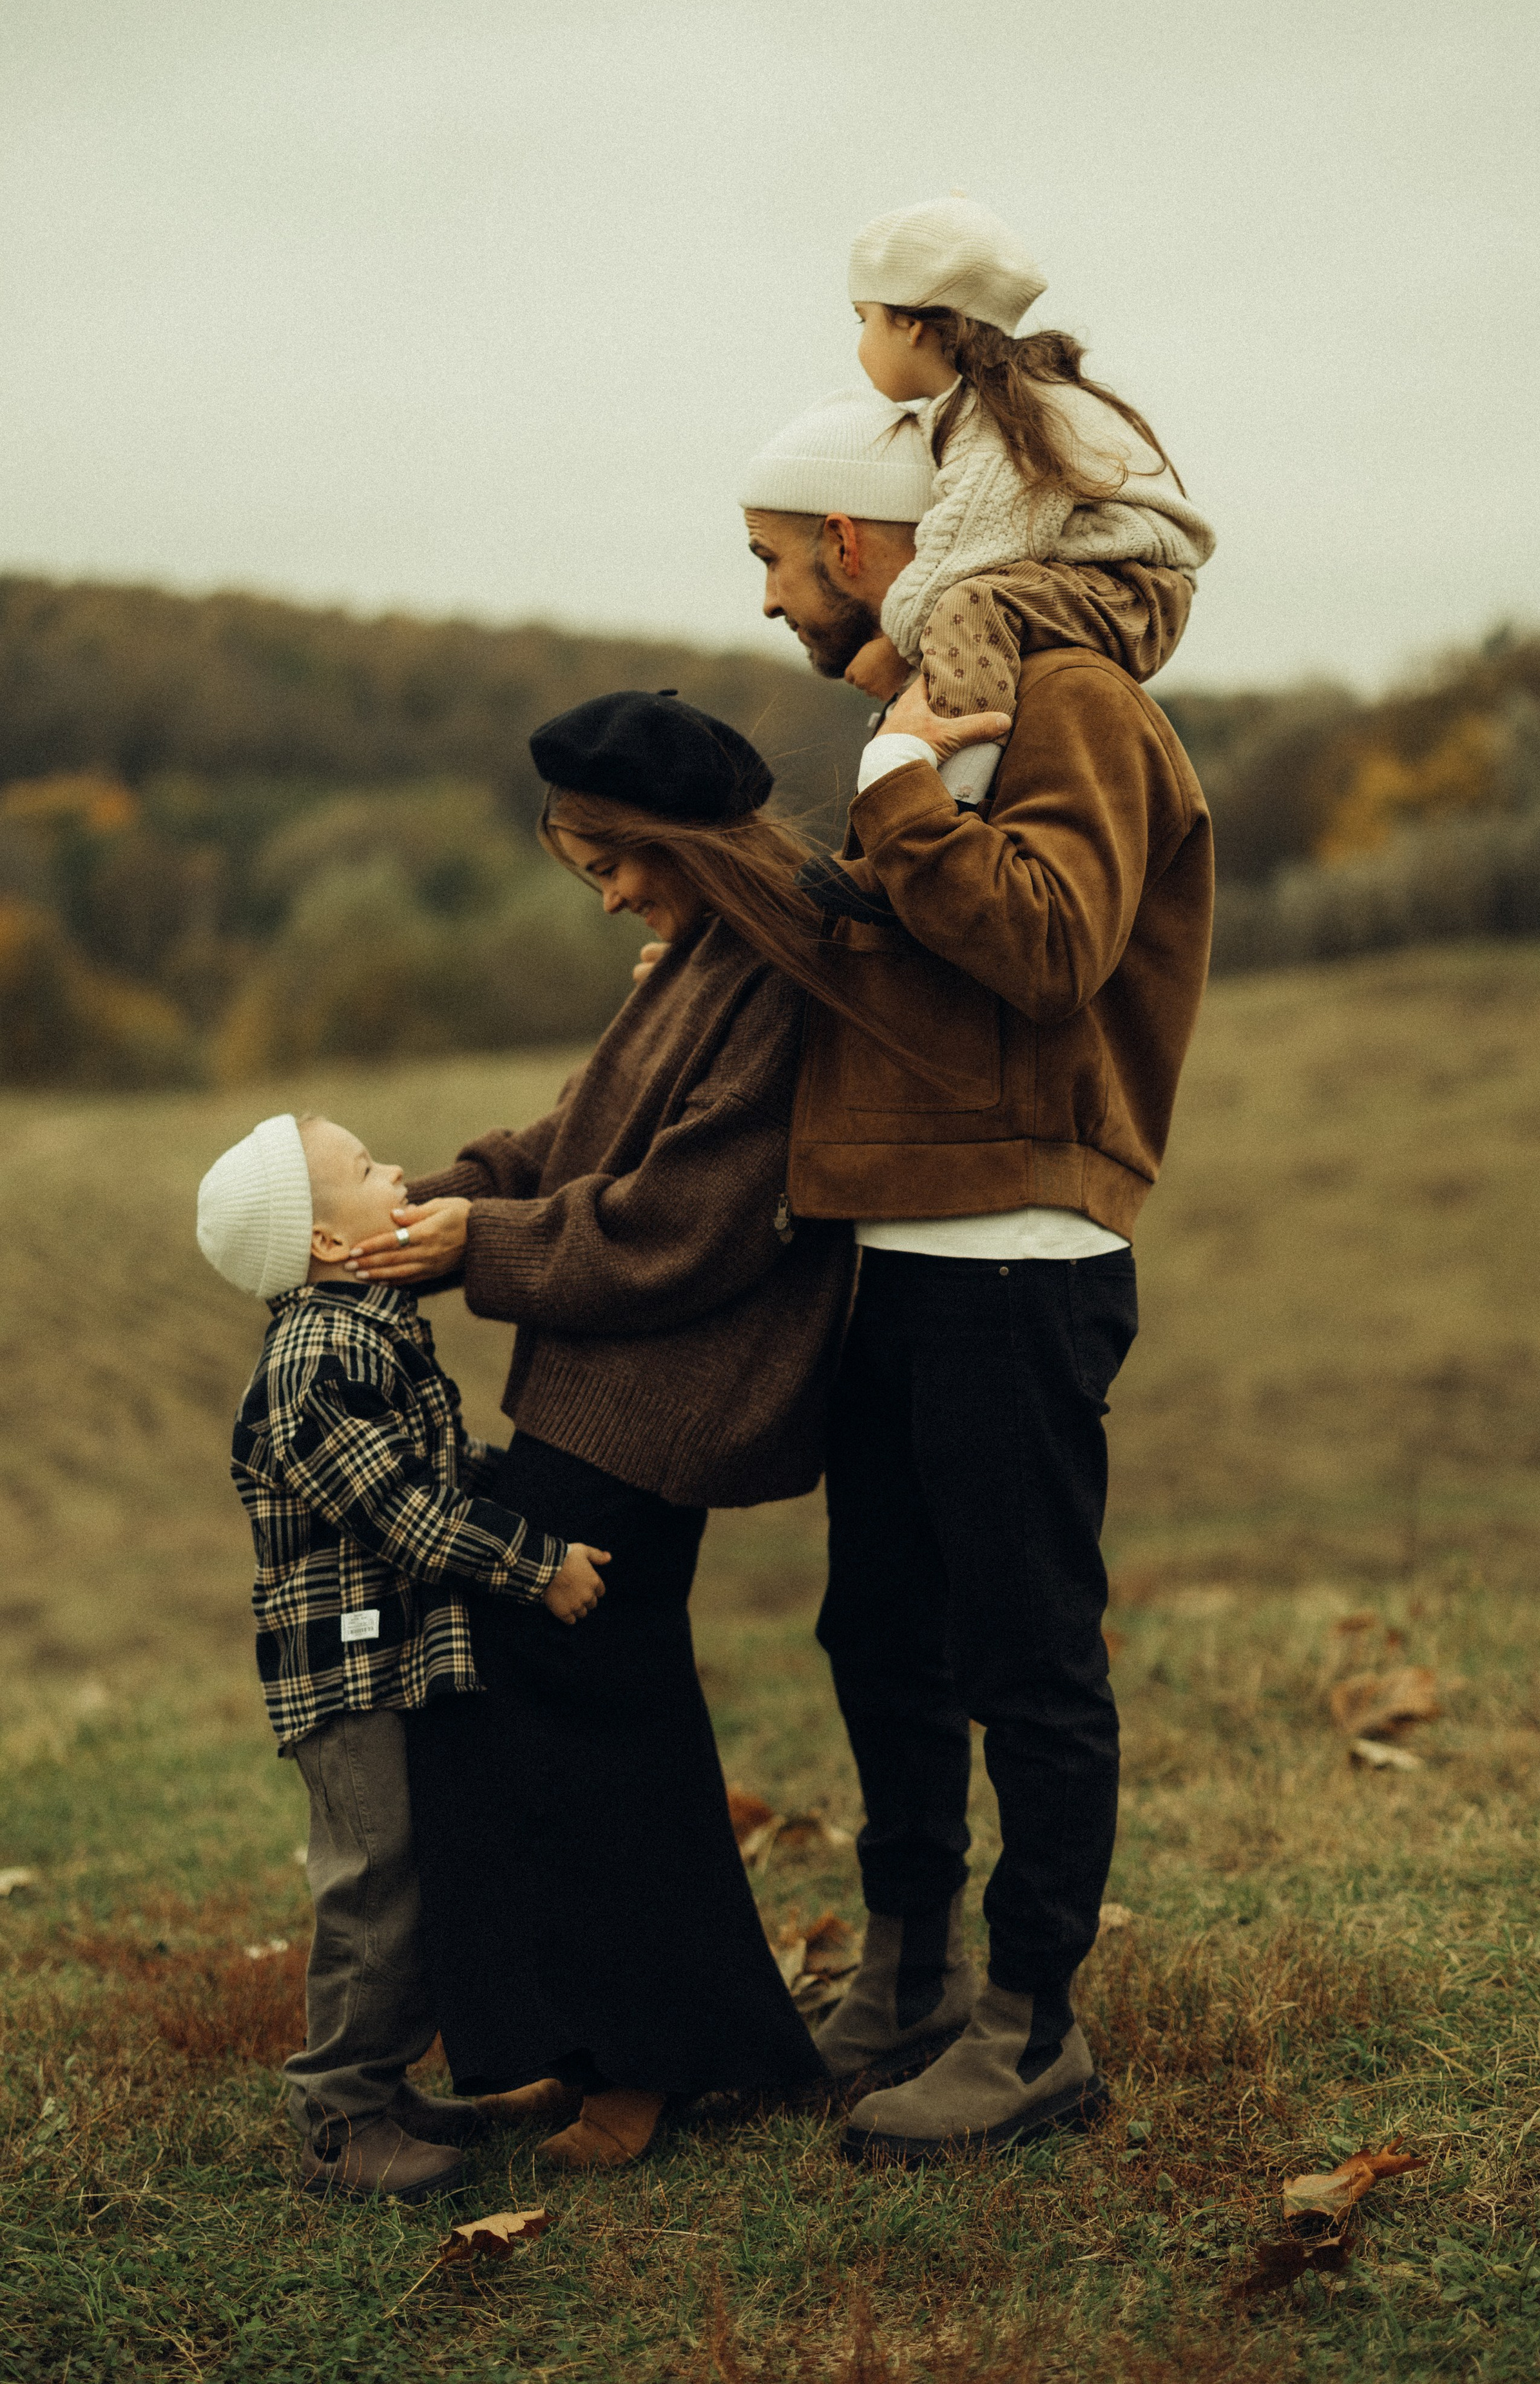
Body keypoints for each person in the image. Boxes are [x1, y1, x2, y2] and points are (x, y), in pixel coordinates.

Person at [343, 689, 936, 2170]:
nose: (607, 893)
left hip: (668, 1395)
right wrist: (436, 1191)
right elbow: (574, 1136)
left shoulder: (778, 978)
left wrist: (473, 1242)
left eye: (616, 862)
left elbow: (684, 1223)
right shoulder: (689, 962)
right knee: (545, 1701)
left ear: (680, 842)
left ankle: (663, 2059)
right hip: (598, 1383)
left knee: (598, 1717)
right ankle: (594, 2038)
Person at [735, 389, 1216, 2161]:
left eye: (780, 564)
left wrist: (893, 791)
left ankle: (1032, 2029)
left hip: (1018, 1247)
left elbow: (1047, 944)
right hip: (903, 1238)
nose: (772, 604)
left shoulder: (1074, 701)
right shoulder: (926, 716)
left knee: (1024, 1651)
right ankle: (912, 1966)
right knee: (883, 1631)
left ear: (858, 551)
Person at [197, 1112, 609, 2203]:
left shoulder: (366, 1330)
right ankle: (338, 2120)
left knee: (413, 1880)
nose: (398, 1173)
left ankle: (379, 2086)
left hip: (388, 1662)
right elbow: (409, 1514)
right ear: (329, 1243)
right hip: (347, 1673)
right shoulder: (317, 1356)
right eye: (372, 1168)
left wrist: (518, 1485)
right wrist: (538, 1560)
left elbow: (432, 1464)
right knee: (375, 1888)